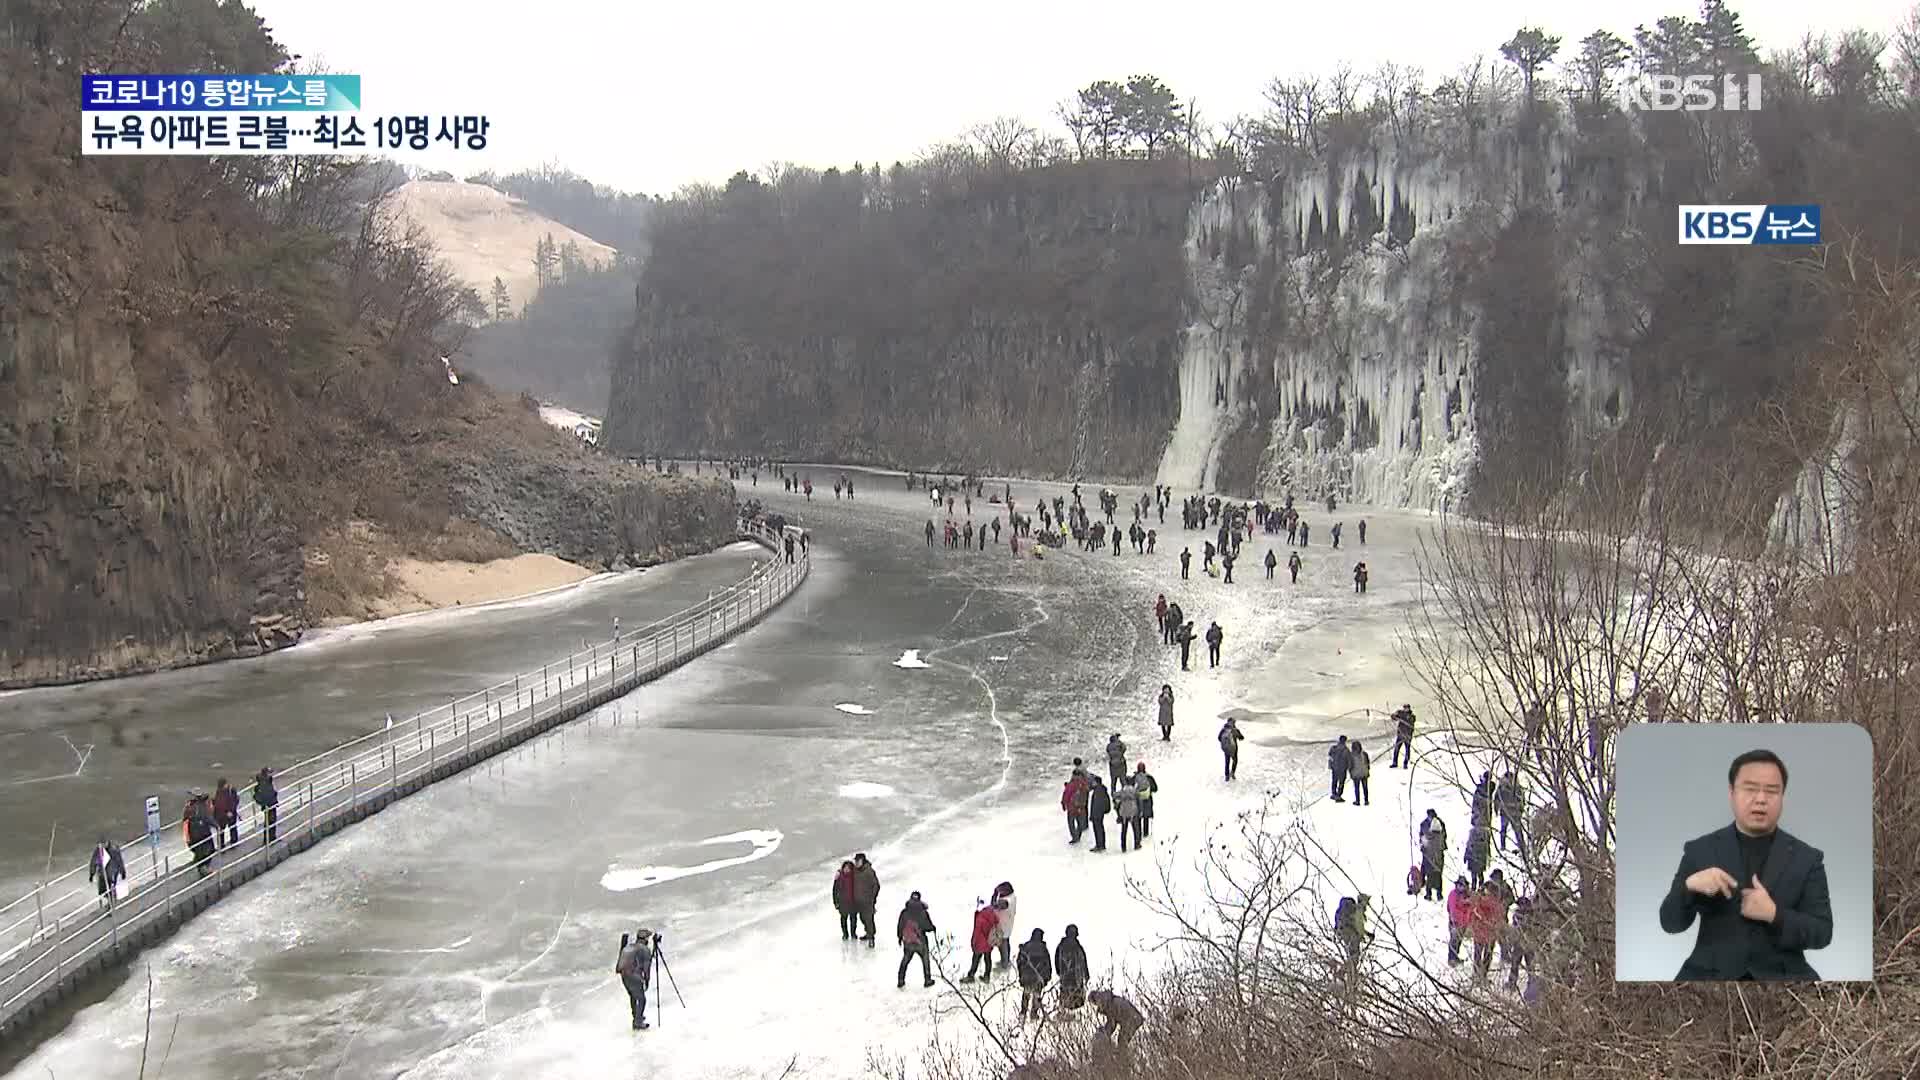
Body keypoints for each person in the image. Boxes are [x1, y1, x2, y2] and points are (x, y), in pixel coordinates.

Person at [1657, 748, 1833, 980]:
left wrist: (1775, 915)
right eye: (1750, 789)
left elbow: (1822, 933)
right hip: (1708, 977)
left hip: (1784, 978)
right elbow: (1670, 923)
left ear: (1783, 797)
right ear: (1731, 792)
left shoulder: (1807, 859)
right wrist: (1689, 887)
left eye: (1772, 791)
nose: (1760, 799)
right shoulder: (1700, 850)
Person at [614, 928, 655, 1030]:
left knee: (633, 995)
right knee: (642, 999)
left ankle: (636, 1016)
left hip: (623, 974)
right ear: (645, 939)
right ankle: (638, 1022)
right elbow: (646, 968)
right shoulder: (644, 949)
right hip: (632, 974)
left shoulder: (630, 946)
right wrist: (647, 980)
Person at [896, 891, 938, 988]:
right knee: (925, 960)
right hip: (920, 941)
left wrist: (899, 937)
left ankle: (901, 979)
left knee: (905, 960)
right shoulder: (923, 913)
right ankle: (927, 979)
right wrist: (933, 928)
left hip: (908, 941)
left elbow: (900, 926)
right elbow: (927, 927)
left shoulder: (904, 912)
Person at [1089, 988, 1145, 1053]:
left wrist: (1104, 1034)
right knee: (1122, 1042)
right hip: (1133, 1019)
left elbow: (1112, 1023)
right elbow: (1112, 1022)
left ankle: (1123, 1059)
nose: (1096, 1005)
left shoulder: (1108, 1004)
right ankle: (1122, 1057)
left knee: (1122, 1043)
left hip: (1132, 1020)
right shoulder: (1109, 1001)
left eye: (1094, 1003)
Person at [1016, 929, 1053, 1020]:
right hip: (1038, 977)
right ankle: (1034, 1013)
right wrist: (1047, 977)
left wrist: (1021, 974)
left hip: (1027, 976)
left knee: (1026, 994)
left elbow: (1019, 962)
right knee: (1036, 995)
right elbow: (1047, 964)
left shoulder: (1025, 947)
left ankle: (1023, 1012)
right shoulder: (1043, 948)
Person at [1054, 924, 1090, 1009]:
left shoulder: (1065, 946)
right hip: (1072, 978)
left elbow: (1083, 962)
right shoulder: (1076, 947)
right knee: (1071, 998)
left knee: (1070, 997)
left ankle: (1067, 1014)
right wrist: (1086, 975)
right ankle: (1068, 1014)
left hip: (1071, 978)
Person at [963, 900, 998, 982]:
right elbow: (997, 922)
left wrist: (973, 943)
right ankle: (987, 976)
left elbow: (977, 932)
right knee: (988, 959)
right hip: (989, 942)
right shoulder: (992, 912)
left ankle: (971, 976)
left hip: (980, 943)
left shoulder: (980, 917)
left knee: (975, 960)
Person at [851, 853, 881, 946]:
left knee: (868, 919)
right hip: (858, 901)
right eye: (855, 861)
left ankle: (871, 937)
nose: (856, 863)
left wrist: (872, 897)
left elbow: (876, 885)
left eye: (858, 861)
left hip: (867, 901)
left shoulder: (869, 871)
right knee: (862, 918)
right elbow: (846, 870)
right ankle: (868, 933)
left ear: (862, 861)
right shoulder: (855, 871)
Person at [88, 836, 127, 908]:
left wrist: (123, 871)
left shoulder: (114, 849)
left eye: (103, 844)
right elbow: (93, 861)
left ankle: (111, 903)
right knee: (103, 890)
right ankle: (111, 901)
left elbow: (119, 860)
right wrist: (92, 873)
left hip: (112, 873)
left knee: (111, 888)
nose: (102, 846)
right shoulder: (99, 850)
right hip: (103, 873)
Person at [992, 882, 1019, 969]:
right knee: (1006, 942)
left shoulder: (1006, 901)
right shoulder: (1012, 896)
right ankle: (1006, 961)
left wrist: (994, 895)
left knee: (1003, 945)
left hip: (1003, 925)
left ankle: (1005, 963)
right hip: (1007, 923)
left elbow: (994, 906)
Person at [1446, 877, 1472, 964]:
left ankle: (1455, 957)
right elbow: (1453, 909)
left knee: (1458, 941)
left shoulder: (1466, 895)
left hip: (1464, 922)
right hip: (1455, 922)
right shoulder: (1453, 895)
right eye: (1460, 885)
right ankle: (1451, 959)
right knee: (1454, 941)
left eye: (1463, 886)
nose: (1461, 887)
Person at [1062, 765, 1091, 844]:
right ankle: (1078, 835)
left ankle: (1074, 837)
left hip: (1071, 807)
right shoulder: (1084, 784)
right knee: (1080, 822)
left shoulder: (1071, 785)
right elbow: (1087, 792)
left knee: (1071, 823)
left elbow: (1066, 795)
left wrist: (1064, 804)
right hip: (1081, 807)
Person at [833, 860, 860, 940]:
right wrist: (836, 902)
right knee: (843, 919)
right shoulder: (839, 877)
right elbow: (835, 890)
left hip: (853, 902)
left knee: (853, 919)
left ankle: (853, 933)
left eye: (848, 868)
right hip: (843, 903)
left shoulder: (855, 876)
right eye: (845, 868)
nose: (846, 870)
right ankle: (845, 934)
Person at [1113, 775, 1140, 852]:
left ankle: (1123, 846)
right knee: (1135, 829)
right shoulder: (1134, 790)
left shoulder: (1123, 790)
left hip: (1124, 812)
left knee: (1124, 830)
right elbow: (1138, 797)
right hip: (1133, 811)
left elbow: (1115, 795)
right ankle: (1136, 844)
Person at [212, 777, 240, 848]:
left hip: (221, 815)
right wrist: (230, 811)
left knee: (222, 830)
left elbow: (217, 804)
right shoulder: (230, 790)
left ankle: (222, 845)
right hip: (228, 813)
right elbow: (235, 801)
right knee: (232, 828)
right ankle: (233, 843)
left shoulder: (218, 792)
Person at [1133, 762, 1157, 841]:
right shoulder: (1149, 777)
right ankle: (1146, 833)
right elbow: (1155, 789)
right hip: (1147, 799)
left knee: (1138, 817)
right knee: (1146, 817)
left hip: (1138, 799)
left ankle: (1138, 833)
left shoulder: (1135, 777)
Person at [1328, 736, 1352, 801]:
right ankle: (1338, 795)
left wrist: (1330, 766)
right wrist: (1350, 768)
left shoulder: (1333, 748)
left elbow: (1330, 756)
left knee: (1334, 781)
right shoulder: (1346, 750)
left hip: (1334, 768)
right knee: (1341, 782)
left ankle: (1334, 794)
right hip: (1342, 769)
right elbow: (1349, 760)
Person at [1348, 740, 1372, 805]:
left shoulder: (1351, 755)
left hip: (1356, 774)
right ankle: (1366, 800)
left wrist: (1350, 772)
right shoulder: (1364, 754)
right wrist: (1367, 770)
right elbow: (1368, 763)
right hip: (1364, 773)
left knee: (1356, 788)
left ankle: (1357, 801)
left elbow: (1350, 765)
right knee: (1365, 787)